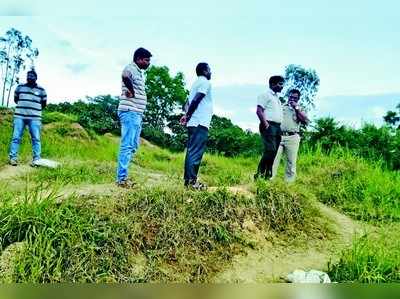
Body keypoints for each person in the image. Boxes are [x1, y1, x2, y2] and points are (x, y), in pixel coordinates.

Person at [116, 47, 152, 187]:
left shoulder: (138, 72)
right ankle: (122, 179)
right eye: (147, 60)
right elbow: (125, 75)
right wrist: (131, 91)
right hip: (130, 111)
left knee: (133, 145)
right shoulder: (131, 67)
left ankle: (123, 176)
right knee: (127, 145)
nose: (148, 63)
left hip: (136, 113)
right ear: (139, 59)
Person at [180, 63, 213, 190]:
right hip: (199, 122)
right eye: (209, 70)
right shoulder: (205, 82)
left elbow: (187, 103)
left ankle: (189, 181)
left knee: (192, 151)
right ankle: (191, 182)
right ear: (204, 71)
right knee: (195, 152)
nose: (211, 72)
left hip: (194, 122)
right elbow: (196, 100)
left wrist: (186, 115)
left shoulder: (195, 84)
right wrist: (187, 116)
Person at [9, 69, 47, 166]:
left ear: (36, 77)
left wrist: (33, 110)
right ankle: (13, 158)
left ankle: (36, 160)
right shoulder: (20, 87)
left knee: (36, 139)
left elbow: (43, 104)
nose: (30, 76)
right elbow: (16, 99)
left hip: (35, 118)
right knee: (16, 137)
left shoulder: (41, 90)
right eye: (28, 75)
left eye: (32, 75)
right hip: (19, 116)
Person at [272, 89, 309, 182]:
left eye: (295, 98)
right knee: (273, 159)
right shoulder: (281, 106)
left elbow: (305, 121)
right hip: (279, 136)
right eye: (291, 97)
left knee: (291, 162)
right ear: (288, 96)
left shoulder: (301, 108)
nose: (292, 99)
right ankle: (270, 180)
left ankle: (289, 184)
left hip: (293, 137)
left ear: (298, 99)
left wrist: (296, 109)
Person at [255, 75, 284, 179]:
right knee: (270, 150)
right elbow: (259, 111)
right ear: (272, 84)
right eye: (280, 84)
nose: (282, 86)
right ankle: (259, 174)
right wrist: (266, 124)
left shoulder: (277, 98)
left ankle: (268, 175)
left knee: (274, 152)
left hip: (277, 127)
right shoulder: (265, 95)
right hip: (268, 125)